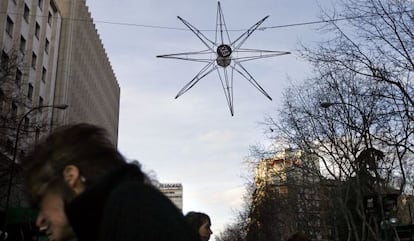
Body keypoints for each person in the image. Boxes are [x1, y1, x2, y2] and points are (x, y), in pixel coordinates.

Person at [21, 123, 199, 241]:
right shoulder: (119, 214)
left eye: (41, 201)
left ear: (70, 177)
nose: (39, 221)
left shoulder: (133, 207)